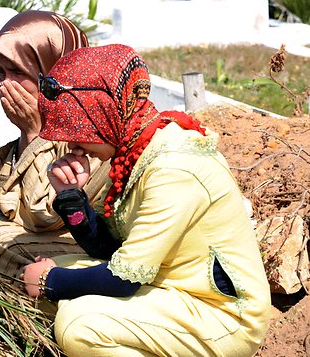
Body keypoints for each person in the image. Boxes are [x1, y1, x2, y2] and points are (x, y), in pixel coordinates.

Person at [20, 45, 271, 356]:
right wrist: (71, 198)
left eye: (78, 130)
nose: (74, 146)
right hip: (172, 289)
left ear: (103, 113)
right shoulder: (136, 149)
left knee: (78, 326)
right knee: (50, 273)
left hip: (221, 316)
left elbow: (124, 278)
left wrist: (51, 281)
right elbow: (109, 249)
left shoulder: (173, 168)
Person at [0, 10, 110, 278]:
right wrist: (29, 132)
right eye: (1, 72)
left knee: (1, 246)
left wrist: (34, 131)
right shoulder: (48, 116)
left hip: (91, 244)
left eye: (17, 71)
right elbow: (9, 207)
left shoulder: (90, 125)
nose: (6, 84)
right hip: (53, 238)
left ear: (51, 70)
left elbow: (43, 217)